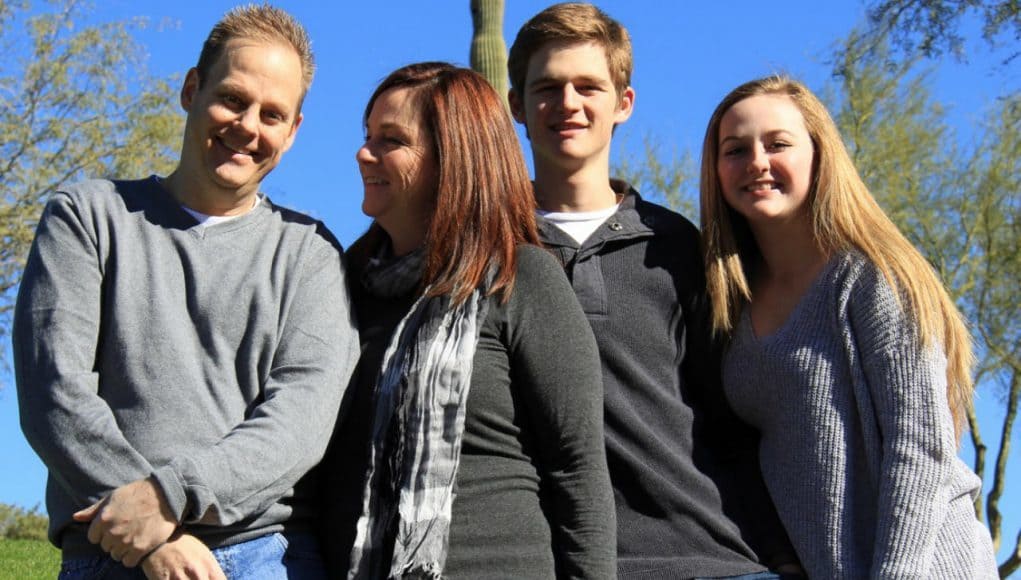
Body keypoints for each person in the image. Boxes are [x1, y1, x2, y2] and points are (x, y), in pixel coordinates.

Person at [13, 5, 359, 579]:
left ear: (293, 131)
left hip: (265, 553)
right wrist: (150, 534)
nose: (248, 126)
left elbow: (301, 418)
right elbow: (55, 391)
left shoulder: (310, 253)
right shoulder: (88, 218)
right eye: (232, 99)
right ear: (191, 89)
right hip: (109, 549)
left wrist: (171, 498)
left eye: (273, 114)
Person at [507, 3, 797, 579]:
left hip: (711, 559)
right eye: (548, 87)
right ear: (516, 104)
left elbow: (730, 419)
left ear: (623, 103)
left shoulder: (678, 247)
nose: (568, 104)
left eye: (589, 86)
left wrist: (782, 557)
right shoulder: (487, 249)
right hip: (555, 563)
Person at [320, 62, 615, 579]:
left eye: (391, 140)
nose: (364, 154)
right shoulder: (343, 284)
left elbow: (579, 471)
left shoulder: (522, 278)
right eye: (368, 136)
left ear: (451, 158)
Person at [699, 75, 999, 579]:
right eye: (735, 149)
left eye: (777, 144)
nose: (756, 162)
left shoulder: (872, 278)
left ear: (819, 154)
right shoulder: (730, 304)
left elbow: (921, 448)